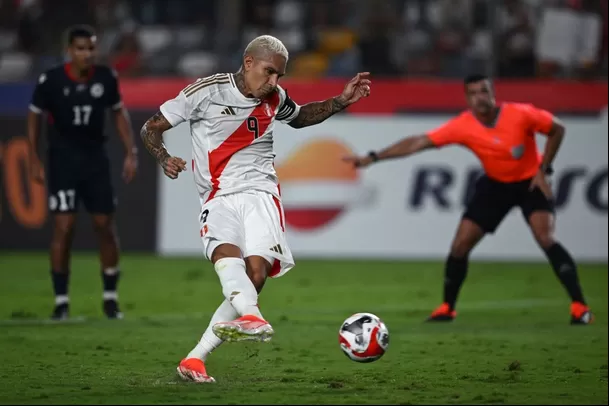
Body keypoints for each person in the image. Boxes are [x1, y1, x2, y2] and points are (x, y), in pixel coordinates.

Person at [140, 35, 371, 383]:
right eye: (269, 72)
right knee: (225, 256)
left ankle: (206, 350)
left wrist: (340, 101)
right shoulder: (205, 92)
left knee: (257, 275)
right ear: (248, 63)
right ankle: (224, 336)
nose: (274, 82)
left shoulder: (275, 98)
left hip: (261, 193)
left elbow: (301, 116)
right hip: (216, 195)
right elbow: (151, 128)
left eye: (279, 75)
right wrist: (163, 157)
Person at [343, 74, 594, 326]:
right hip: (495, 186)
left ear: (493, 93)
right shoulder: (463, 125)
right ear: (467, 98)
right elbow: (418, 142)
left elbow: (557, 129)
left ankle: (580, 307)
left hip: (531, 182)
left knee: (546, 238)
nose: (479, 98)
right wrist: (373, 157)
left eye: (483, 91)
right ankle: (447, 308)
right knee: (460, 245)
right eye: (473, 93)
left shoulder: (521, 114)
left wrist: (544, 170)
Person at [27, 25, 138, 321]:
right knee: (64, 227)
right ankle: (61, 301)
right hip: (62, 162)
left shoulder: (105, 77)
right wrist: (33, 157)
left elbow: (117, 112)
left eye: (90, 48)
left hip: (95, 161)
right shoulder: (50, 80)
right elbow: (34, 116)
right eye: (80, 49)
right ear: (69, 51)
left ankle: (110, 299)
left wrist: (131, 151)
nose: (86, 54)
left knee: (105, 226)